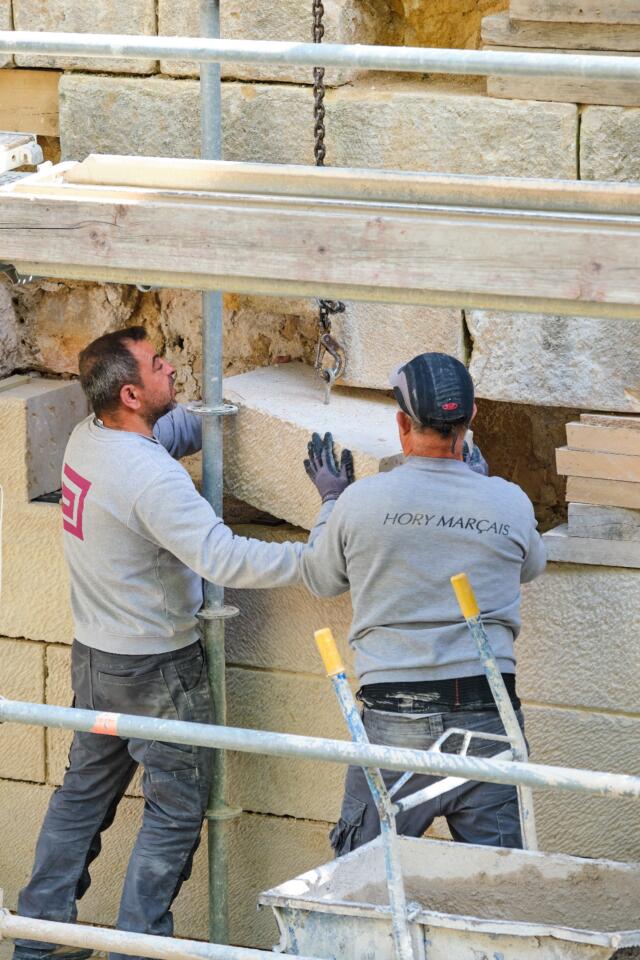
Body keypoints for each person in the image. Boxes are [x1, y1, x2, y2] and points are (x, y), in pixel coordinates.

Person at [13, 327, 353, 960]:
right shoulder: (149, 478)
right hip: (156, 672)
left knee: (82, 798)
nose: (173, 365)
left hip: (96, 660)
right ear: (132, 393)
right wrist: (319, 540)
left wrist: (229, 408)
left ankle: (36, 939)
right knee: (174, 809)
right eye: (157, 364)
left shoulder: (90, 439)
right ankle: (138, 949)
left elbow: (164, 438)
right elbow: (222, 557)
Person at [300, 351, 547, 855]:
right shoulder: (509, 499)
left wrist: (331, 502)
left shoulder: (361, 501)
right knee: (500, 887)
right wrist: (481, 490)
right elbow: (530, 565)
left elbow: (320, 578)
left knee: (364, 883)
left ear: (400, 423)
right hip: (490, 714)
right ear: (471, 419)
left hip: (397, 720)